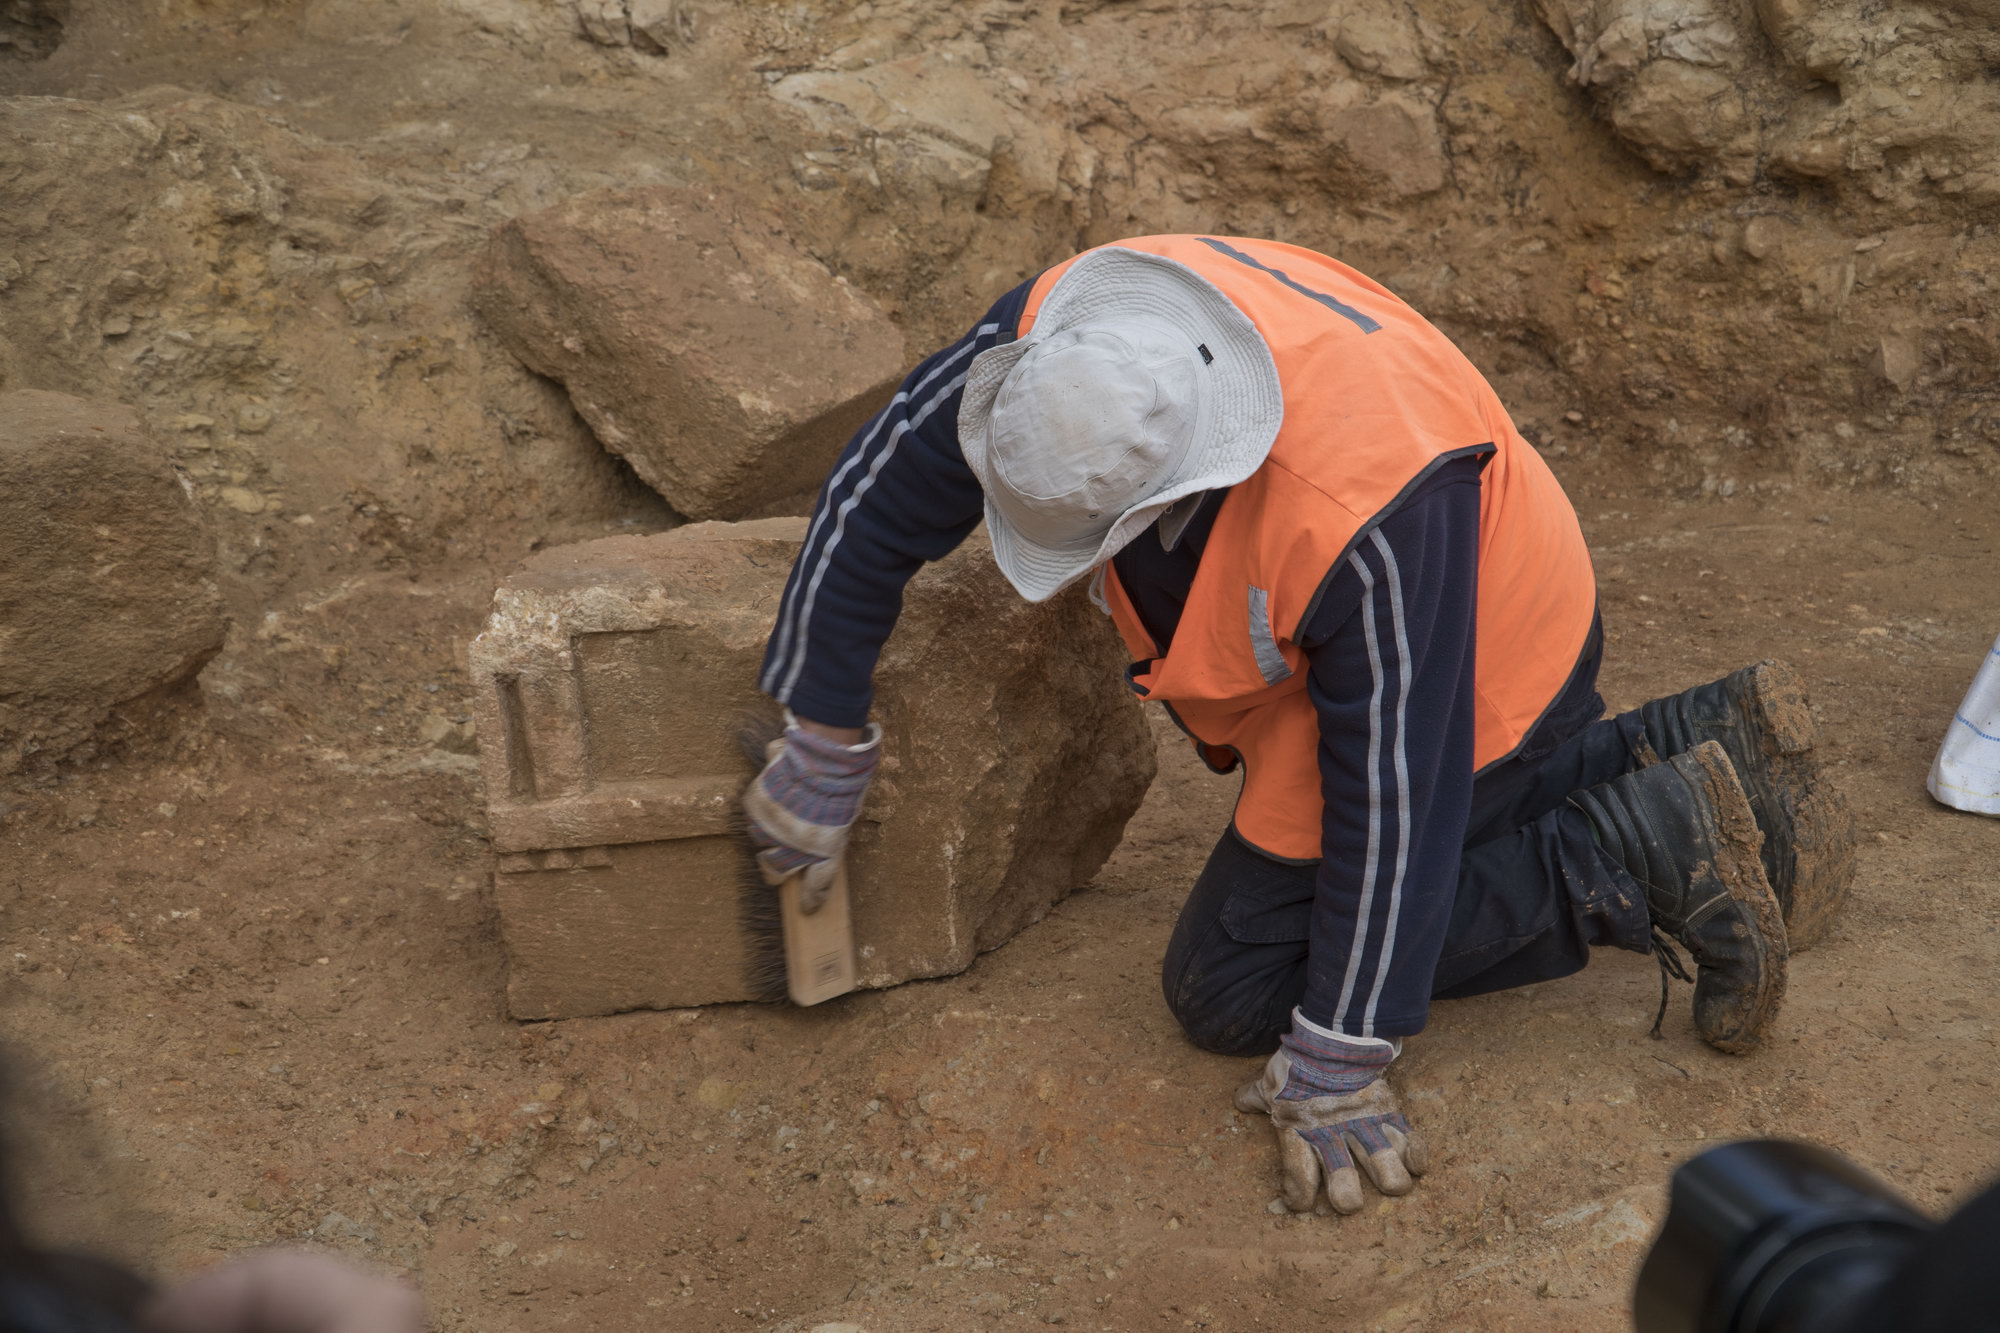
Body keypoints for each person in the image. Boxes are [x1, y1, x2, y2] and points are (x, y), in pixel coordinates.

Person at [741, 236, 1851, 1216]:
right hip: (1379, 630)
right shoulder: (1062, 349)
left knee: (1226, 988)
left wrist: (1341, 1053)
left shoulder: (1360, 516)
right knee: (1326, 895)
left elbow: (1397, 791)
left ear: (1171, 489)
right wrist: (822, 726)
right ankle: (1692, 739)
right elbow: (875, 492)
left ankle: (1617, 854)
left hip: (1492, 651)